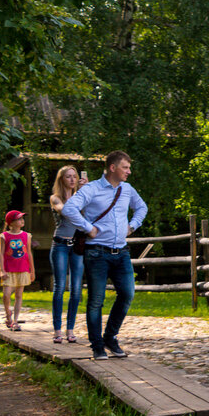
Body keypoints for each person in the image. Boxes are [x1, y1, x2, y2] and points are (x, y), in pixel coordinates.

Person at [62, 150, 146, 361]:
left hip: (121, 251)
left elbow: (142, 208)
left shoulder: (127, 189)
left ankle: (110, 337)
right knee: (96, 301)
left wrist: (132, 226)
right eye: (125, 167)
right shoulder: (92, 189)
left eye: (129, 167)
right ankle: (97, 346)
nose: (129, 171)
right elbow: (70, 208)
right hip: (97, 252)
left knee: (127, 294)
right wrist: (88, 227)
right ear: (112, 168)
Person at [49, 165, 87, 343]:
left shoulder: (82, 197)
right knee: (59, 287)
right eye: (68, 177)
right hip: (61, 245)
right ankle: (57, 329)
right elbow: (65, 211)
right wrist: (81, 195)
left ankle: (70, 329)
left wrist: (85, 193)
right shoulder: (55, 198)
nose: (72, 180)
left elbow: (91, 215)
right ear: (61, 179)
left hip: (77, 246)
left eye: (74, 176)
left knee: (76, 289)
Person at [0, 210, 34, 330]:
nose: (22, 220)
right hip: (8, 270)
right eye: (18, 219)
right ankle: (8, 313)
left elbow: (29, 253)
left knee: (19, 295)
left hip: (23, 269)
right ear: (10, 223)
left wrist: (32, 271)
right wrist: (2, 270)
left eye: (22, 218)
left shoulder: (26, 235)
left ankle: (15, 320)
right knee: (6, 294)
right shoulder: (4, 236)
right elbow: (1, 254)